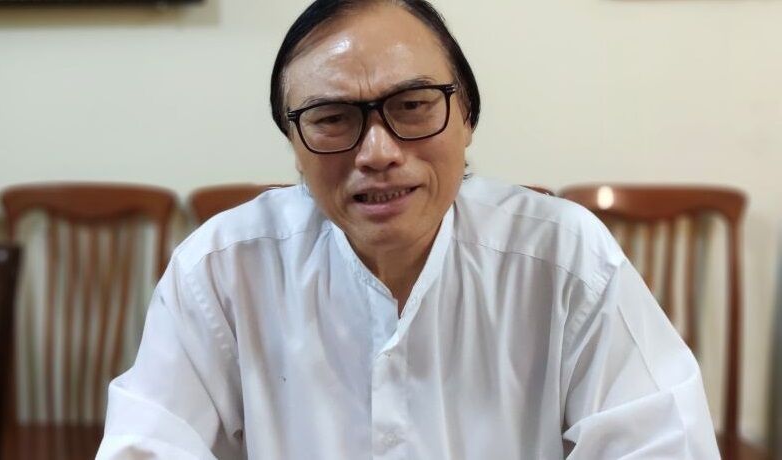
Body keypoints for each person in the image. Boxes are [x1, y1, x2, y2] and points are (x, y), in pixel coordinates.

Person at [97, 0, 720, 458]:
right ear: (294, 143)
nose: (378, 152)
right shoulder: (221, 269)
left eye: (413, 106)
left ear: (467, 115)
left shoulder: (564, 258)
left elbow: (662, 443)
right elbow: (149, 442)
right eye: (332, 117)